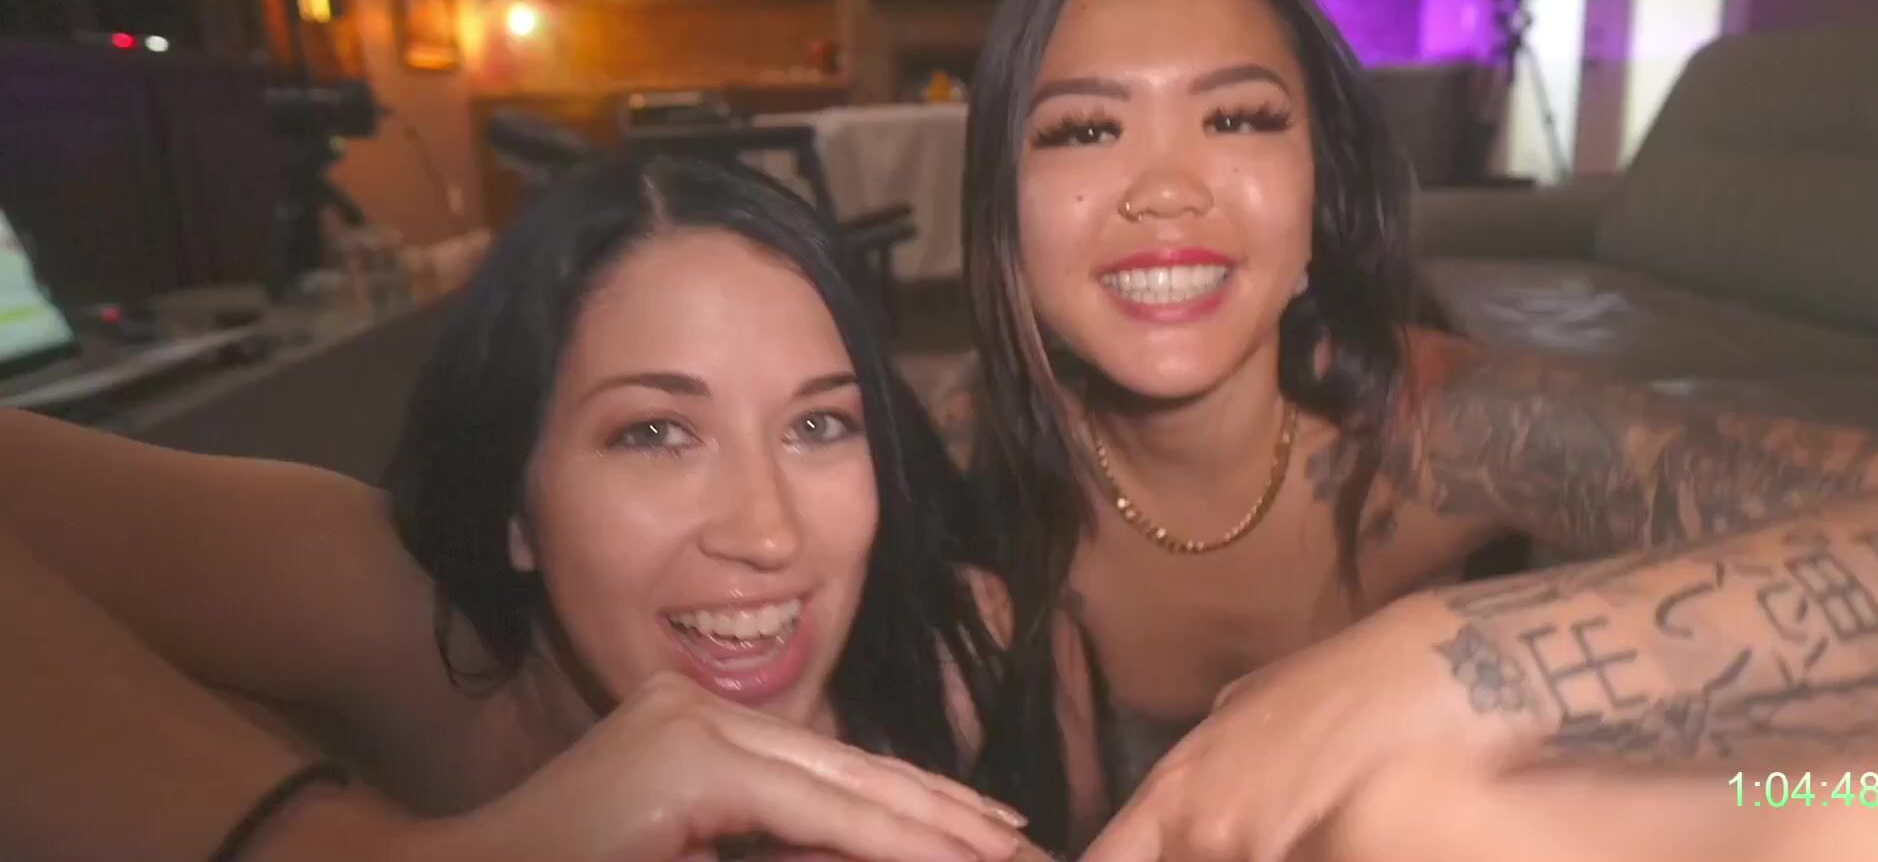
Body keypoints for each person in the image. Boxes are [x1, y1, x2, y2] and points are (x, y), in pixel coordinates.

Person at [954, 0, 1878, 859]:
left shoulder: (1448, 430)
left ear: (1322, 191)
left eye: (1237, 117)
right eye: (1084, 130)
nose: (1165, 189)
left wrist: (1454, 665)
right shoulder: (968, 451)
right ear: (1003, 217)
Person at [0, 155, 1097, 861]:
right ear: (515, 502)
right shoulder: (417, 629)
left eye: (818, 425)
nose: (766, 533)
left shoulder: (966, 652)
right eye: (654, 434)